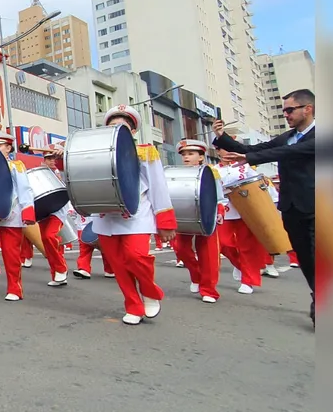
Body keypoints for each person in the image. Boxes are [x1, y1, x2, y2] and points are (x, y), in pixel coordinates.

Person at [48, 105, 176, 325]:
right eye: (112, 126)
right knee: (118, 265)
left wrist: (165, 222)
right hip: (106, 217)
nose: (117, 129)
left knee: (137, 257)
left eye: (123, 126)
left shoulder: (145, 151)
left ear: (132, 132)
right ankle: (133, 305)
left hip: (136, 215)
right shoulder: (92, 152)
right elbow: (79, 176)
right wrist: (63, 158)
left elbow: (158, 186)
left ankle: (150, 291)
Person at [212, 88, 315, 326]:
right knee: (307, 259)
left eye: (290, 110)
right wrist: (223, 136)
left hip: (318, 207)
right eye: (284, 110)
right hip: (292, 208)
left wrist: (251, 159)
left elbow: (290, 152)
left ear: (307, 109)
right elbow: (254, 150)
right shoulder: (288, 137)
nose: (286, 114)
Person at [0, 131, 36, 301]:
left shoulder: (16, 165)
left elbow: (25, 188)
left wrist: (28, 210)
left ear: (8, 147)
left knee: (11, 255)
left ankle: (15, 290)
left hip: (11, 213)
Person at [171, 139, 226, 303]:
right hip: (185, 216)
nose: (186, 157)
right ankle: (196, 275)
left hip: (207, 214)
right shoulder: (178, 173)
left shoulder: (210, 172)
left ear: (201, 157)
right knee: (180, 248)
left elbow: (219, 196)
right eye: (184, 155)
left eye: (191, 154)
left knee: (208, 254)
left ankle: (209, 290)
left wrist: (220, 210)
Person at [215, 143, 271, 295]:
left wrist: (263, 183)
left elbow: (257, 184)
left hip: (245, 210)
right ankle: (239, 265)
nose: (226, 151)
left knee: (247, 246)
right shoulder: (214, 170)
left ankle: (248, 280)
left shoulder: (244, 167)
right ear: (218, 152)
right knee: (223, 243)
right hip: (224, 210)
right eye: (222, 148)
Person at [36, 150, 71, 287]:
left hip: (58, 209)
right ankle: (57, 275)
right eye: (48, 158)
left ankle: (61, 269)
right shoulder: (40, 173)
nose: (51, 161)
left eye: (53, 158)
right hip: (43, 209)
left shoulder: (61, 171)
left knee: (49, 236)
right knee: (46, 240)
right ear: (44, 160)